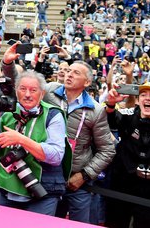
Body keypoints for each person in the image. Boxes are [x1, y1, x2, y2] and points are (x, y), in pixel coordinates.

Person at [0, 70, 69, 216]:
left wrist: (21, 140)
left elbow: (56, 157)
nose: (27, 94)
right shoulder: (8, 111)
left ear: (42, 94)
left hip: (43, 189)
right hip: (9, 185)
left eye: (33, 90)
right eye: (23, 89)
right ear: (16, 92)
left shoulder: (53, 115)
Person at [42, 61, 116, 223]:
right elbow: (22, 86)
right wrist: (7, 64)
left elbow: (107, 150)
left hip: (77, 181)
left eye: (76, 73)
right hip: (47, 176)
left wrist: (84, 175)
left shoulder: (96, 111)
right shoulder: (49, 91)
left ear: (87, 82)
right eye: (68, 71)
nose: (69, 74)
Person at [104, 82, 150, 228]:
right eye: (143, 95)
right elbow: (111, 119)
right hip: (122, 184)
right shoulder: (128, 116)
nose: (147, 98)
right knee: (116, 222)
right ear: (137, 101)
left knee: (144, 223)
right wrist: (110, 105)